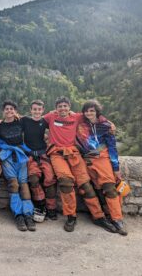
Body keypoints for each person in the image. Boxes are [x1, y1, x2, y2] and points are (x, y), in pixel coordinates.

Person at [44, 96, 116, 232]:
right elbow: (34, 120)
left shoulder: (77, 117)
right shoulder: (50, 117)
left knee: (85, 184)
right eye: (60, 106)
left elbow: (94, 116)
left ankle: (98, 217)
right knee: (66, 182)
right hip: (57, 154)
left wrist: (109, 123)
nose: (63, 109)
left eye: (65, 106)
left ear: (69, 107)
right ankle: (71, 216)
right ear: (56, 108)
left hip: (74, 154)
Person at [77, 100, 127, 235]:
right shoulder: (80, 123)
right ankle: (99, 216)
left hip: (102, 158)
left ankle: (117, 219)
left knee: (109, 187)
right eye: (87, 111)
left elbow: (112, 147)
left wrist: (115, 167)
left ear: (97, 111)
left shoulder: (106, 126)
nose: (89, 113)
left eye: (92, 110)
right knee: (90, 189)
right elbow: (65, 115)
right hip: (86, 159)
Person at [0, 100, 35, 232]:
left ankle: (28, 215)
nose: (9, 111)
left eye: (11, 109)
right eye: (7, 109)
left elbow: (38, 118)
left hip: (21, 155)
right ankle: (18, 215)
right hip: (8, 156)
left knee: (24, 183)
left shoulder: (22, 121)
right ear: (3, 111)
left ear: (15, 111)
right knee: (13, 183)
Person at [21, 100, 57, 221]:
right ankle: (40, 206)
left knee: (50, 179)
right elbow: (13, 120)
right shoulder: (24, 120)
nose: (37, 111)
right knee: (33, 179)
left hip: (43, 154)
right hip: (30, 154)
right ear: (31, 110)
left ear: (43, 110)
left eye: (39, 109)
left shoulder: (45, 121)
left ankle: (51, 208)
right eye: (34, 109)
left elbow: (61, 119)